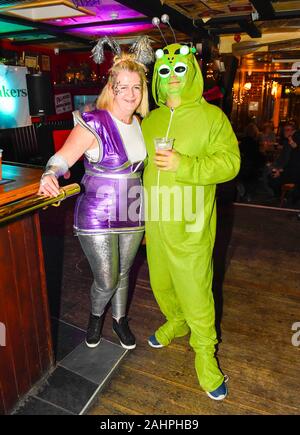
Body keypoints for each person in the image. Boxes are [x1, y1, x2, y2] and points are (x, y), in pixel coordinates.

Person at [142, 43, 240, 400]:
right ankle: (176, 320)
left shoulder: (212, 117)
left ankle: (205, 355)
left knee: (197, 293)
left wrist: (185, 165)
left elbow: (230, 163)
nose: (171, 78)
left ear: (193, 73)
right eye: (164, 71)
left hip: (192, 227)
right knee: (161, 283)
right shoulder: (150, 120)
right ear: (156, 77)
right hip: (156, 223)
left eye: (179, 69)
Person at [38, 53, 149, 350]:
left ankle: (120, 320)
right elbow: (63, 158)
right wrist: (50, 173)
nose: (130, 93)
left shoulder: (139, 123)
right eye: (123, 86)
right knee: (106, 279)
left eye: (136, 87)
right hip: (97, 214)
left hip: (133, 209)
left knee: (125, 271)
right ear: (111, 89)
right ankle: (96, 317)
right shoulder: (94, 122)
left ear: (143, 91)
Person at [268, 121, 300, 201]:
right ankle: (282, 196)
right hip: (288, 170)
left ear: (293, 131)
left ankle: (281, 197)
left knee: (271, 178)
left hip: (294, 174)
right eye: (284, 130)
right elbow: (284, 159)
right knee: (268, 171)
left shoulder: (294, 142)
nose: (285, 132)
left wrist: (281, 171)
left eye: (288, 130)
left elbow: (293, 163)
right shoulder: (287, 142)